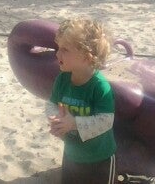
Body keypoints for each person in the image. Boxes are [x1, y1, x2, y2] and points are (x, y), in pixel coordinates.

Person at [46, 18, 117, 184]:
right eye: (58, 48)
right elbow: (52, 105)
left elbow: (106, 121)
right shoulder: (62, 80)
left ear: (86, 57)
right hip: (72, 154)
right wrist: (57, 120)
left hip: (99, 158)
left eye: (64, 49)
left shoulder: (99, 86)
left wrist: (74, 124)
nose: (57, 54)